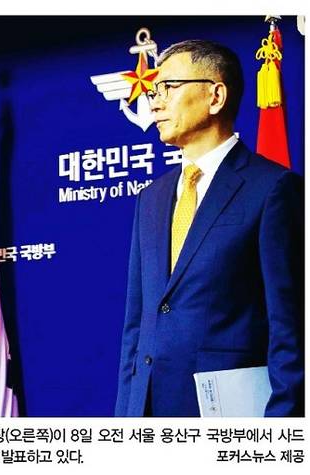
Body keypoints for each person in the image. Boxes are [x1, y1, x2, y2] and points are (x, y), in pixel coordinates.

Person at [115, 40, 303, 417]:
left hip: (230, 420)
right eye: (154, 90)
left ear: (215, 96)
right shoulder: (151, 197)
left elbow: (292, 329)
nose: (155, 102)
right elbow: (137, 326)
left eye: (168, 87)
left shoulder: (272, 188)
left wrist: (281, 432)